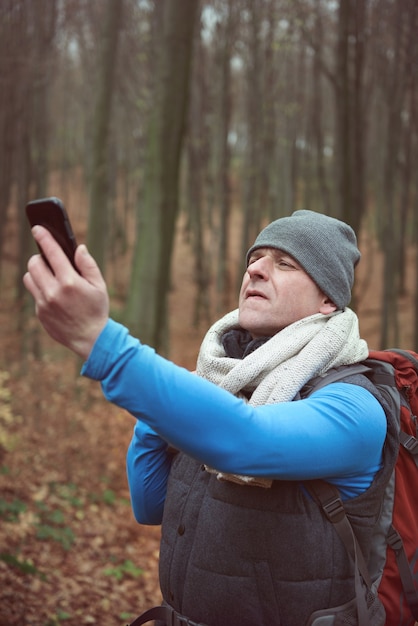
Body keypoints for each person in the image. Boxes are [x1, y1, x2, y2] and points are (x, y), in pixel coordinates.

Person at [24, 210, 397, 626]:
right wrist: (165, 413)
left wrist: (102, 343)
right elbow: (151, 504)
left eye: (285, 263)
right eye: (255, 258)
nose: (254, 269)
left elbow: (248, 441)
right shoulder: (226, 377)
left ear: (328, 299)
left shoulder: (355, 407)